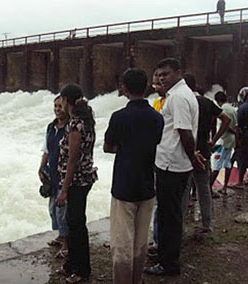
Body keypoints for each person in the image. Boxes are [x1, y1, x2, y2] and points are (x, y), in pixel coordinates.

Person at [104, 68, 164, 284]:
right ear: (147, 86)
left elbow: (108, 147)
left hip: (123, 185)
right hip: (147, 184)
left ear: (124, 88)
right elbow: (155, 143)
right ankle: (137, 280)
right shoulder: (157, 118)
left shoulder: (119, 117)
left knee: (122, 243)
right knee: (140, 242)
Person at [144, 58, 202, 276]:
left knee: (169, 217)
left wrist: (193, 159)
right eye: (159, 75)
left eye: (166, 74)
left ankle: (168, 263)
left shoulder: (177, 97)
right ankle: (168, 258)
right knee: (172, 214)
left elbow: (184, 132)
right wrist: (192, 156)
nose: (161, 79)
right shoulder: (183, 94)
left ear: (179, 72)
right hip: (176, 162)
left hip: (172, 164)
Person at [55, 83, 98, 283]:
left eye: (61, 99)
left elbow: (73, 158)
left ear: (66, 100)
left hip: (76, 181)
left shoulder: (74, 124)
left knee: (77, 226)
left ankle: (82, 270)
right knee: (74, 223)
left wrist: (64, 189)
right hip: (85, 177)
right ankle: (72, 265)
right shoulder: (86, 120)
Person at [181, 74, 230, 234]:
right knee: (204, 189)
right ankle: (207, 225)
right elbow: (226, 119)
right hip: (204, 149)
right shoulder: (207, 102)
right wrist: (213, 140)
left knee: (184, 191)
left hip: (186, 152)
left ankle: (179, 227)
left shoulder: (184, 101)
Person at [38, 96, 69, 258]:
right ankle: (61, 235)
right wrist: (41, 167)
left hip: (63, 175)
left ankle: (67, 243)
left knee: (62, 211)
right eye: (55, 106)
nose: (57, 109)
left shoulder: (70, 129)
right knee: (53, 209)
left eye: (60, 106)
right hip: (52, 174)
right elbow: (47, 149)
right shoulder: (51, 127)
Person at [148, 70, 166, 256]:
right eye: (155, 85)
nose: (157, 88)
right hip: (156, 155)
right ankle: (157, 239)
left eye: (159, 84)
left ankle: (160, 242)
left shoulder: (173, 101)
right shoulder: (156, 103)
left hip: (167, 157)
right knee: (157, 202)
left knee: (161, 203)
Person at [211, 91, 238, 195]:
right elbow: (236, 126)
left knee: (216, 165)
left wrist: (213, 140)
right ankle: (224, 187)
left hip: (222, 140)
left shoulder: (222, 110)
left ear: (218, 101)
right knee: (227, 163)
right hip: (231, 141)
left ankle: (209, 188)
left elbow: (226, 126)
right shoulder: (233, 109)